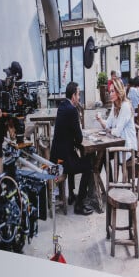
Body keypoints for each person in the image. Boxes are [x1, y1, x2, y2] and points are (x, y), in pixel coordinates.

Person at [50, 81, 94, 215]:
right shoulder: (72, 110)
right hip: (63, 162)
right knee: (89, 165)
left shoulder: (62, 106)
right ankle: (79, 204)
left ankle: (72, 196)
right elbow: (79, 139)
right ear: (73, 96)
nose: (79, 97)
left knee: (78, 158)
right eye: (78, 94)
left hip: (56, 157)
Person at [95, 78, 137, 162]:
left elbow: (117, 132)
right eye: (109, 91)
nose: (110, 94)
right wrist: (100, 120)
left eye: (112, 91)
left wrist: (110, 130)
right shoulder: (115, 105)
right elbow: (108, 125)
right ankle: (96, 174)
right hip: (119, 144)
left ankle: (94, 174)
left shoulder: (125, 106)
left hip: (128, 147)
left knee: (102, 155)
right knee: (101, 154)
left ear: (119, 91)